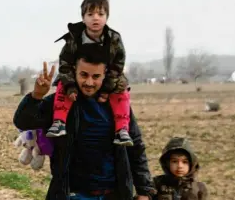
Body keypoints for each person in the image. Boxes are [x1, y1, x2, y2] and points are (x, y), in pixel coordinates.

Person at [12, 54, 154, 198]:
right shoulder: (60, 103)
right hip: (71, 194)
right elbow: (23, 122)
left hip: (114, 193)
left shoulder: (118, 106)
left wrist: (144, 190)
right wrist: (36, 96)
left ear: (105, 75)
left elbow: (136, 146)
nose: (89, 82)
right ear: (74, 72)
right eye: (84, 75)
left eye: (96, 76)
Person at [46, 0, 133, 148]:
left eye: (101, 14)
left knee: (122, 88)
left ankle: (122, 130)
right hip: (77, 75)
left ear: (107, 17)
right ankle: (59, 121)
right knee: (61, 83)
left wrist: (106, 89)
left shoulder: (114, 39)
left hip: (107, 78)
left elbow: (118, 65)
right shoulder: (74, 38)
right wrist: (70, 86)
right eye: (90, 14)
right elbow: (65, 63)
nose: (95, 18)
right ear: (83, 17)